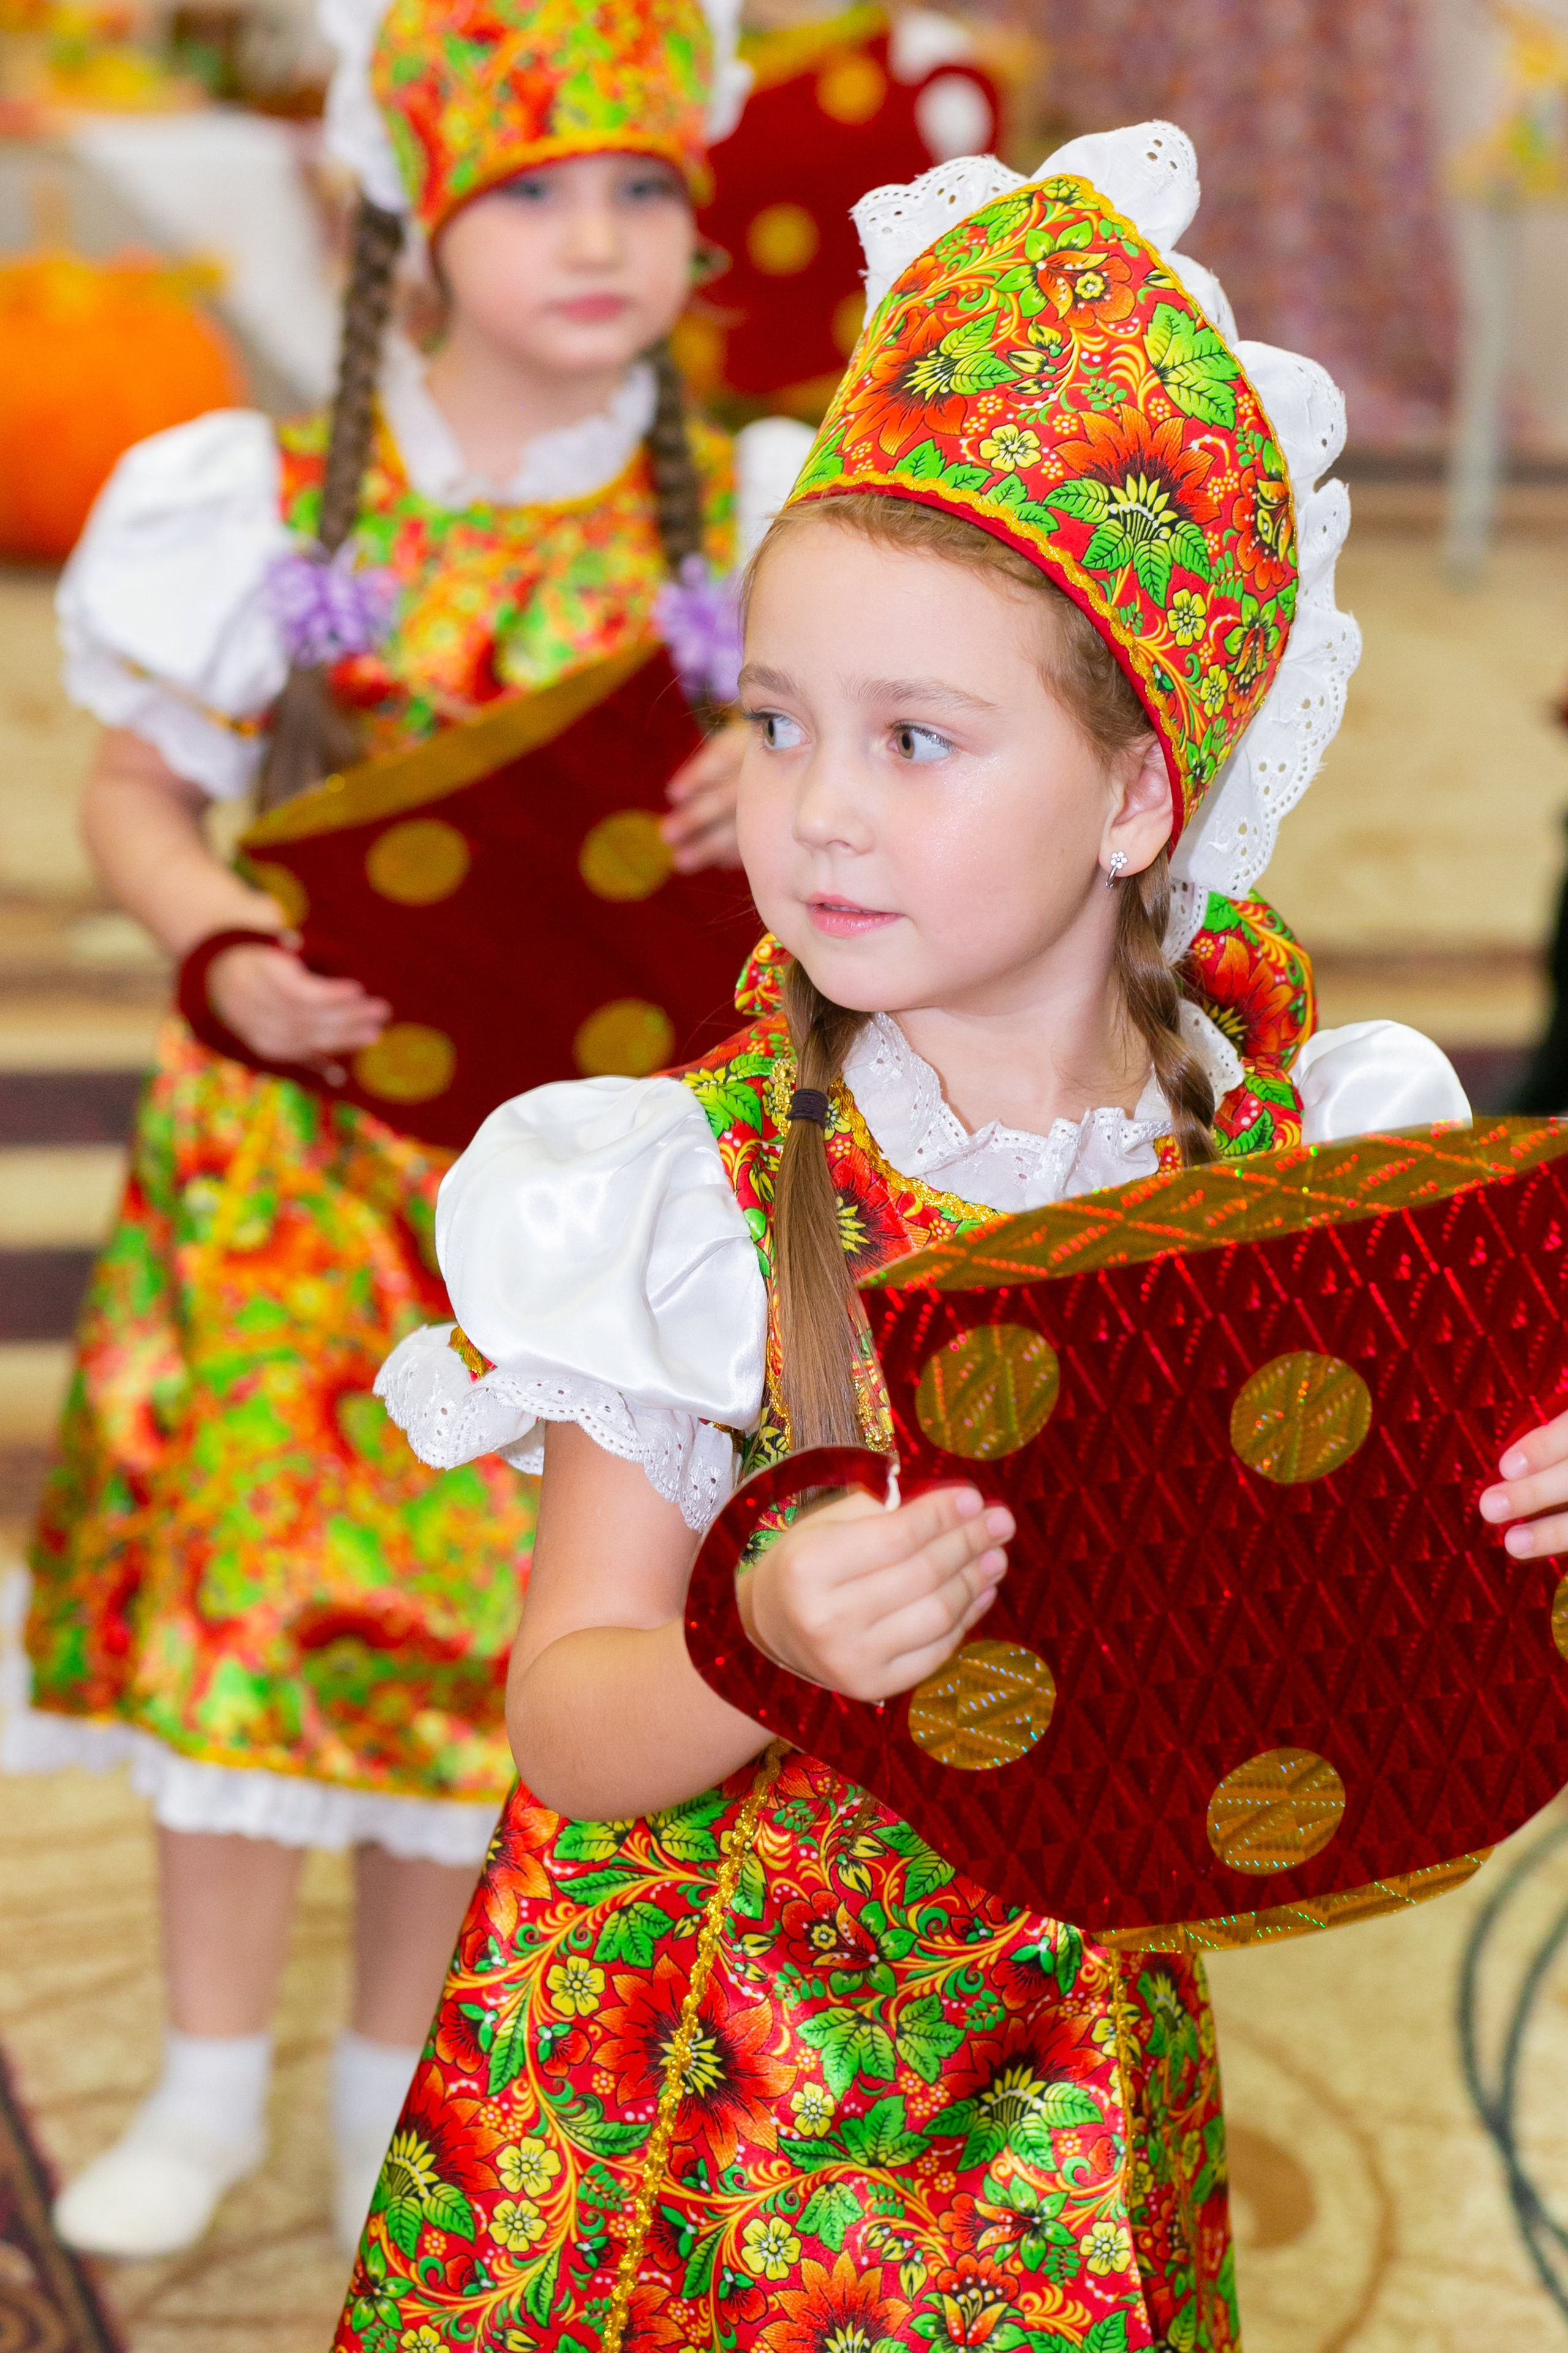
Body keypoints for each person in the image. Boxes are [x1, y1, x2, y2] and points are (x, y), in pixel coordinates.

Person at [335, 126, 1568, 2351]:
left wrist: (1513, 1532)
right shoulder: (693, 1191)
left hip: (1074, 2121)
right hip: (703, 2137)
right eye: (779, 722)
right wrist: (758, 1635)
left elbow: (1362, 1688)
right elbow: (567, 1719)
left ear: (1136, 792)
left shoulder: (1280, 1164)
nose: (817, 808)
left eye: (918, 738)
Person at [3, 0, 812, 2262]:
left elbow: (870, 799)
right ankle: (200, 2073)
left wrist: (772, 770)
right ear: (414, 223)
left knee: (481, 1639)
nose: (602, 238)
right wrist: (213, 942)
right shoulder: (269, 503)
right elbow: (137, 790)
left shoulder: (754, 516)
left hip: (563, 1208)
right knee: (251, 1610)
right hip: (286, 1175)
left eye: (643, 190)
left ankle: (389, 2074)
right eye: (535, 194)